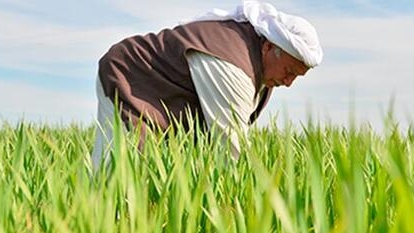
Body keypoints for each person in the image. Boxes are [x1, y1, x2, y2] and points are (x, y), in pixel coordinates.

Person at [91, 1, 323, 169]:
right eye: (289, 71)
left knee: (169, 173)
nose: (289, 82)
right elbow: (229, 149)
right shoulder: (231, 64)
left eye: (297, 77)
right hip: (130, 79)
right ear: (269, 48)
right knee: (120, 174)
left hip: (168, 104)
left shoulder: (260, 67)